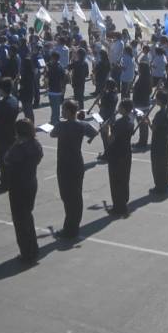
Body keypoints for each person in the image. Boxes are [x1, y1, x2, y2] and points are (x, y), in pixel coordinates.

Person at [49, 100, 98, 239]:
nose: (62, 112)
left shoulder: (61, 125)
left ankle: (70, 229)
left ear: (70, 111)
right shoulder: (82, 124)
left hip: (64, 164)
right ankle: (73, 226)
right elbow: (94, 133)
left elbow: (52, 134)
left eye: (64, 110)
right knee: (76, 195)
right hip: (77, 162)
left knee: (67, 196)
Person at [4, 118, 43, 263]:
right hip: (31, 182)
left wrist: (15, 143)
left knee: (20, 221)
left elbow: (7, 159)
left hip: (18, 185)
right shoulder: (36, 144)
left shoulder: (18, 149)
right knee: (27, 216)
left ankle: (27, 252)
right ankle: (33, 248)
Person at [106, 99, 135, 216]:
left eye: (120, 106)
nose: (118, 108)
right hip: (126, 152)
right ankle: (124, 201)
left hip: (116, 154)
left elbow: (110, 139)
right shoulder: (131, 120)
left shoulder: (119, 123)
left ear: (123, 109)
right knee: (124, 178)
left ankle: (118, 206)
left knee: (115, 181)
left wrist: (108, 128)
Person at [0, 77, 20, 192]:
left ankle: (5, 183)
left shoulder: (1, 104)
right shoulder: (14, 100)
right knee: (10, 159)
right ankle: (12, 180)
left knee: (2, 161)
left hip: (2, 134)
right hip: (12, 132)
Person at [149, 91, 168, 194]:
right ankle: (164, 185)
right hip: (166, 139)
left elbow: (154, 128)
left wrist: (148, 121)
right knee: (164, 164)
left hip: (158, 140)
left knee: (157, 164)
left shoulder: (160, 114)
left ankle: (159, 186)